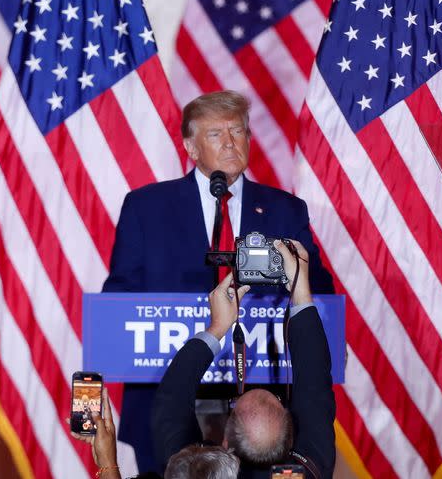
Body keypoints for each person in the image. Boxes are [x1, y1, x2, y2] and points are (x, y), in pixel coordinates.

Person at [102, 90, 335, 472]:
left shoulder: (286, 209)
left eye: (238, 131)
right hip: (168, 399)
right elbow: (118, 300)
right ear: (191, 147)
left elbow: (319, 291)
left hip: (261, 414)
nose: (230, 142)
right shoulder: (146, 207)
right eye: (216, 134)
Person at [152, 240, 336, 478]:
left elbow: (170, 403)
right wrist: (300, 290)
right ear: (290, 438)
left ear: (226, 443)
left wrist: (217, 327)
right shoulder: (311, 470)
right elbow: (315, 384)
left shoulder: (191, 470)